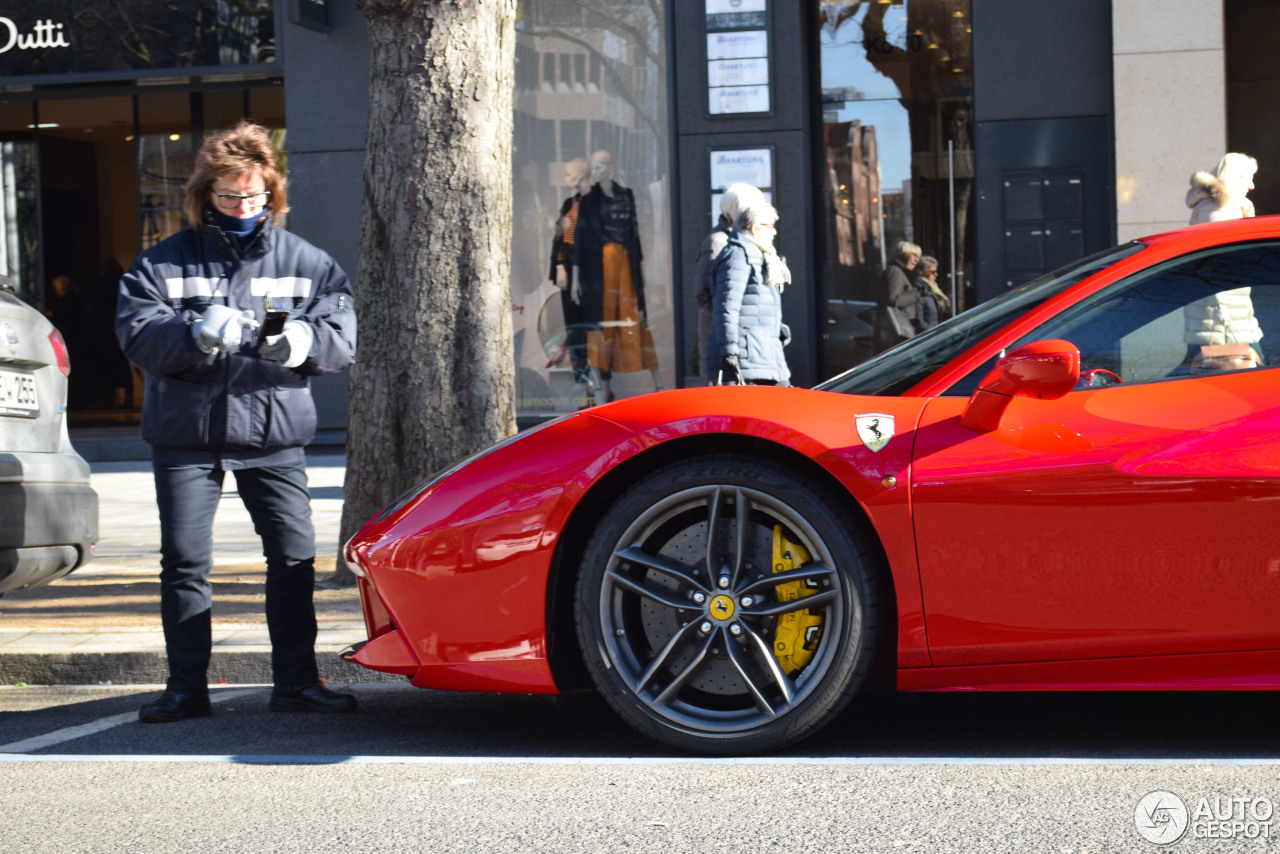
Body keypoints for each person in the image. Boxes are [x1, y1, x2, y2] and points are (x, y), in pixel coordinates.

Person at [115, 121, 357, 723]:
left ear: (271, 193)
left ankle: (297, 683)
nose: (242, 208)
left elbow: (340, 335)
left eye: (253, 196)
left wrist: (300, 342)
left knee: (293, 560)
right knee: (186, 563)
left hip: (273, 435)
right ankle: (186, 687)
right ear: (205, 196)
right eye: (228, 197)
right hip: (187, 436)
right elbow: (138, 336)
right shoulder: (162, 263)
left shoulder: (309, 262)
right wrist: (193, 335)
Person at [572, 149, 659, 400]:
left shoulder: (626, 196)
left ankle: (653, 383)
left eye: (604, 164)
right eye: (595, 165)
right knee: (601, 322)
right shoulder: (587, 201)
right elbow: (579, 239)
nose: (599, 169)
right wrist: (577, 278)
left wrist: (641, 273)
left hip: (626, 264)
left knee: (630, 318)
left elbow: (635, 235)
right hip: (599, 268)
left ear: (612, 166)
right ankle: (602, 388)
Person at [1184, 152, 1263, 369]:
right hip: (1224, 319)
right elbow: (1217, 264)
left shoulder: (1225, 207)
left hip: (1225, 315)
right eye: (1248, 177)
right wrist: (1222, 312)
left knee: (1196, 368)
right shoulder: (1217, 209)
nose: (1252, 185)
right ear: (1235, 177)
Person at [707, 200, 792, 386]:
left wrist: (777, 328)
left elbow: (754, 307)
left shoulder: (762, 255)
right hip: (746, 361)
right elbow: (727, 308)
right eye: (770, 226)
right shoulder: (738, 255)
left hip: (765, 355)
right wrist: (729, 353)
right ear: (755, 228)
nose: (774, 232)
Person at [693, 183, 766, 375]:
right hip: (722, 345)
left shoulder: (748, 241)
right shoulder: (717, 243)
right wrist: (732, 317)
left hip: (745, 343)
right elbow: (703, 296)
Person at [548, 156, 599, 400]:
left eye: (569, 174)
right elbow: (559, 238)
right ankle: (581, 375)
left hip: (591, 269)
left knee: (591, 323)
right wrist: (559, 266)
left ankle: (596, 379)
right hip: (568, 267)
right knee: (574, 323)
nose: (566, 179)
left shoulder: (596, 202)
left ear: (581, 174)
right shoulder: (570, 203)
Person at [1187, 152, 1257, 224]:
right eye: (1248, 179)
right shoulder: (1215, 207)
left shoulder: (1231, 206)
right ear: (1234, 178)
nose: (1251, 186)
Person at [877, 240, 922, 350]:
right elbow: (894, 300)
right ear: (902, 254)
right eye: (914, 255)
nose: (916, 260)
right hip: (897, 336)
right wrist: (917, 294)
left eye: (918, 257)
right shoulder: (895, 272)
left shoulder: (897, 271)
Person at [913, 255, 949, 332]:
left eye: (936, 271)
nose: (936, 275)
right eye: (932, 272)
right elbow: (919, 321)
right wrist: (932, 333)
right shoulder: (920, 291)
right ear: (922, 273)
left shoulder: (932, 290)